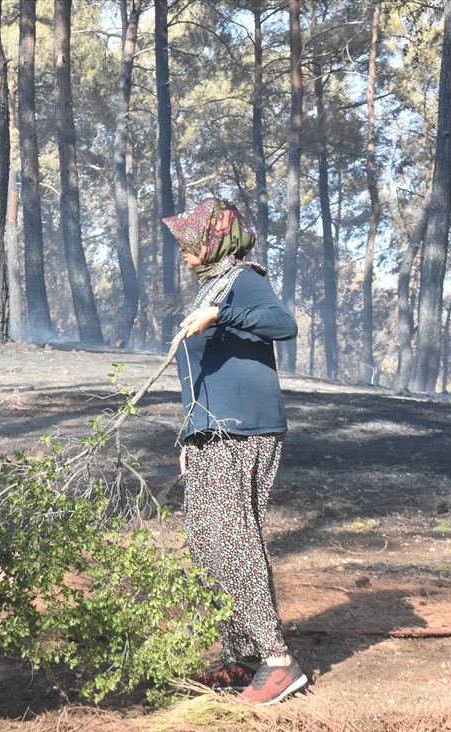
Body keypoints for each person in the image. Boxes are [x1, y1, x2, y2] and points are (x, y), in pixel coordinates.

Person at [162, 197, 307, 706]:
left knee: (233, 541)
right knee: (207, 544)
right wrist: (190, 436)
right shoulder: (212, 286)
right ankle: (240, 658)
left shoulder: (242, 279)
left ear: (215, 239)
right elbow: (202, 375)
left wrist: (219, 314)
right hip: (211, 433)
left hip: (244, 430)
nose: (182, 247)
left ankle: (277, 662)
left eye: (190, 238)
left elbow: (283, 324)